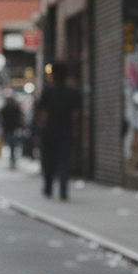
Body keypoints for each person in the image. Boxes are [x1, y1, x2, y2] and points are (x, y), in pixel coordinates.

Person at [36, 61, 81, 199]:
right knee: (64, 161)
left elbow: (42, 112)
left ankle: (48, 188)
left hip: (49, 131)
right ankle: (63, 190)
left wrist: (39, 129)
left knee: (49, 160)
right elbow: (76, 114)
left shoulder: (48, 91)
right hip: (65, 131)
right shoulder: (72, 92)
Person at [0, 93, 22, 169]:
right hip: (13, 128)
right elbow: (20, 118)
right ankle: (12, 159)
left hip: (8, 128)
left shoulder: (5, 108)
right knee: (12, 145)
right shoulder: (15, 108)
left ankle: (12, 159)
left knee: (10, 144)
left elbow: (1, 116)